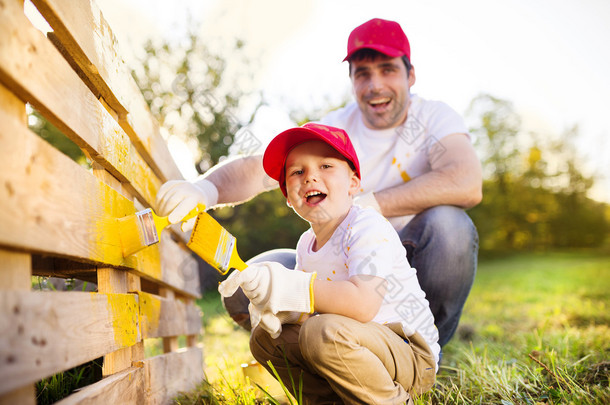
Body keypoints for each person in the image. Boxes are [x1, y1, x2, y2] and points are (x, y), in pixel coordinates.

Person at [155, 18, 482, 347]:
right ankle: (322, 366)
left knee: (450, 226)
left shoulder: (433, 118)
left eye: (388, 69)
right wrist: (203, 189)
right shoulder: (336, 128)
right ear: (352, 80)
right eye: (363, 73)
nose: (375, 85)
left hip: (411, 259)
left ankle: (426, 350)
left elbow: (465, 181)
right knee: (246, 286)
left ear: (410, 75)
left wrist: (367, 206)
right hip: (342, 265)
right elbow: (256, 169)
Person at [218, 122, 439, 403]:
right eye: (297, 172)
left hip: (410, 355)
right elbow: (307, 312)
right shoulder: (304, 244)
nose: (310, 177)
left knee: (320, 332)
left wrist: (291, 287)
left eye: (326, 166)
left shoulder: (366, 226)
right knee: (265, 338)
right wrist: (279, 306)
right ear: (287, 196)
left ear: (354, 183)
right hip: (351, 347)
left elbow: (362, 304)